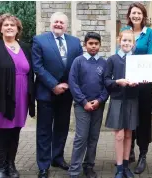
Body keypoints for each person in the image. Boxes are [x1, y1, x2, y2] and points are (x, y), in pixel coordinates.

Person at [0, 13, 35, 178]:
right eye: (6, 25)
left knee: (15, 132)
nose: (9, 27)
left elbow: (29, 72)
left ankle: (11, 165)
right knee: (1, 134)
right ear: (0, 29)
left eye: (12, 25)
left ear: (18, 29)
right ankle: (0, 168)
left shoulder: (24, 47)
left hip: (21, 99)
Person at [32, 12, 83, 178]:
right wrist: (53, 85)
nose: (59, 24)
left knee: (62, 128)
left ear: (66, 25)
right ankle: (43, 165)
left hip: (66, 94)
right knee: (44, 131)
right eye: (56, 22)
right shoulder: (39, 40)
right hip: (46, 93)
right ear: (50, 23)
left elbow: (78, 66)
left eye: (62, 22)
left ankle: (57, 158)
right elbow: (38, 67)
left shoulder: (75, 42)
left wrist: (69, 85)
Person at [119, 2, 152, 174]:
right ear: (129, 15)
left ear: (143, 16)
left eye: (139, 13)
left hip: (145, 83)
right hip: (128, 82)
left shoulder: (149, 33)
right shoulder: (125, 30)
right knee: (129, 116)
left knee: (143, 118)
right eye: (133, 13)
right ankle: (129, 150)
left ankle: (143, 155)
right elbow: (120, 52)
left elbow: (150, 55)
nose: (136, 16)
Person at [68, 32, 109, 178]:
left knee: (93, 137)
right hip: (82, 106)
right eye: (90, 43)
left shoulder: (104, 63)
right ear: (85, 45)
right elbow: (73, 83)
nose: (93, 46)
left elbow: (107, 85)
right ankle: (74, 170)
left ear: (100, 45)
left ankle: (89, 166)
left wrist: (99, 100)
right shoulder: (78, 61)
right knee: (81, 137)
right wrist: (84, 102)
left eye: (96, 44)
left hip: (98, 106)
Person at [105, 30, 140, 178]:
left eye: (129, 41)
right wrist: (117, 82)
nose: (126, 43)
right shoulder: (112, 59)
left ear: (133, 44)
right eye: (124, 40)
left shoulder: (137, 60)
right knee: (119, 135)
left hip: (132, 100)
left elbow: (143, 78)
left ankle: (126, 167)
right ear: (119, 41)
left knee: (128, 135)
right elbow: (106, 80)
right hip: (117, 100)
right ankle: (119, 168)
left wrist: (139, 82)